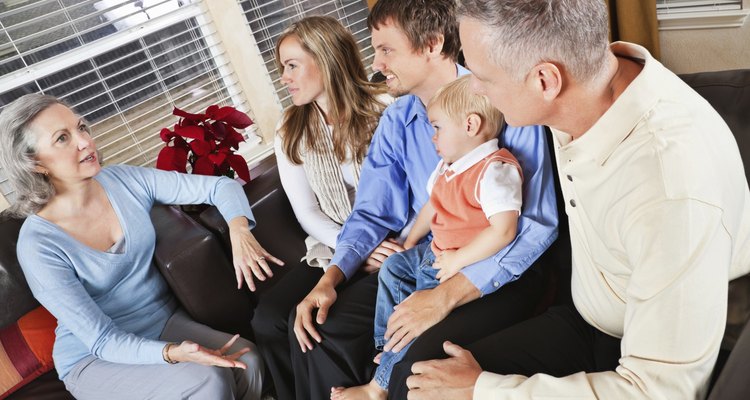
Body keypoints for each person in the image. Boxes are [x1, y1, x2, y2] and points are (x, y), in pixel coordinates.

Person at [405, 0, 750, 399]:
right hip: (586, 308)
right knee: (417, 374)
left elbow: (659, 392)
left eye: (482, 76)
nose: (474, 89)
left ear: (545, 81)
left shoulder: (669, 187)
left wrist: (486, 390)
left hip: (635, 349)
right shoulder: (588, 82)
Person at [287, 1, 559, 399]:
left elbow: (535, 227)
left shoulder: (501, 100)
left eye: (386, 49)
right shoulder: (397, 120)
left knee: (414, 370)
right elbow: (372, 212)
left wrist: (442, 297)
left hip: (500, 266)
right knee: (319, 332)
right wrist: (331, 277)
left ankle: (381, 384)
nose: (376, 63)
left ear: (432, 44)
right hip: (430, 255)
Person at [0, 94, 283, 400]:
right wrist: (172, 353)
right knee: (209, 380)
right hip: (95, 357)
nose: (84, 141)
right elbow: (102, 339)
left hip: (162, 322)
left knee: (247, 361)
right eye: (63, 138)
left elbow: (220, 186)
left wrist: (239, 231)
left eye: (81, 128)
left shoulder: (123, 180)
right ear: (35, 163)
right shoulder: (38, 245)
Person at [332, 75, 524, 400]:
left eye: (438, 128)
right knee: (393, 268)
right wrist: (407, 246)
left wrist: (458, 261)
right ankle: (386, 344)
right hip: (435, 252)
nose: (432, 137)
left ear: (471, 125)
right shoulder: (450, 166)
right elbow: (430, 206)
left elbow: (505, 230)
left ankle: (377, 386)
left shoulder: (494, 170)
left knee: (412, 314)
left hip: (460, 263)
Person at [249, 15, 390, 400]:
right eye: (282, 68)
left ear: (326, 59)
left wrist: (374, 247)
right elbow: (307, 213)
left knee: (311, 324)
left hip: (389, 242)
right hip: (333, 244)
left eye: (291, 65)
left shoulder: (384, 108)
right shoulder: (291, 127)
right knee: (267, 321)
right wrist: (356, 247)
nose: (284, 78)